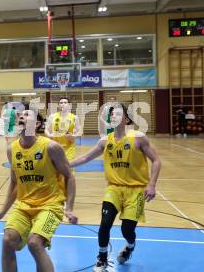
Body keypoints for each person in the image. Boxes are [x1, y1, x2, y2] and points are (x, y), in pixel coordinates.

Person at [69, 103, 161, 271]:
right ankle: (102, 257)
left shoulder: (138, 137)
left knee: (127, 229)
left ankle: (130, 246)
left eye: (118, 114)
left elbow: (156, 160)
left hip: (136, 190)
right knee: (105, 223)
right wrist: (64, 164)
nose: (113, 117)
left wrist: (152, 184)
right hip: (114, 188)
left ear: (126, 119)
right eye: (111, 115)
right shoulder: (105, 141)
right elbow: (85, 158)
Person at [0, 108, 77, 272]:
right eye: (20, 115)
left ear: (37, 124)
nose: (22, 116)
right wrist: (2, 212)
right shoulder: (12, 149)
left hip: (50, 206)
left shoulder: (51, 147)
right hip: (24, 206)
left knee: (34, 243)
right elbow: (15, 183)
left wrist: (70, 208)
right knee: (8, 240)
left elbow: (69, 176)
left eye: (27, 115)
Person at [45, 97, 81, 161]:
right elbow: (47, 129)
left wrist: (73, 136)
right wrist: (49, 135)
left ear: (69, 105)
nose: (63, 104)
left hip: (69, 147)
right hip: (55, 146)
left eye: (65, 102)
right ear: (59, 105)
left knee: (68, 167)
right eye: (61, 103)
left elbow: (79, 131)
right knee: (55, 168)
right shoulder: (52, 116)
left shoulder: (74, 117)